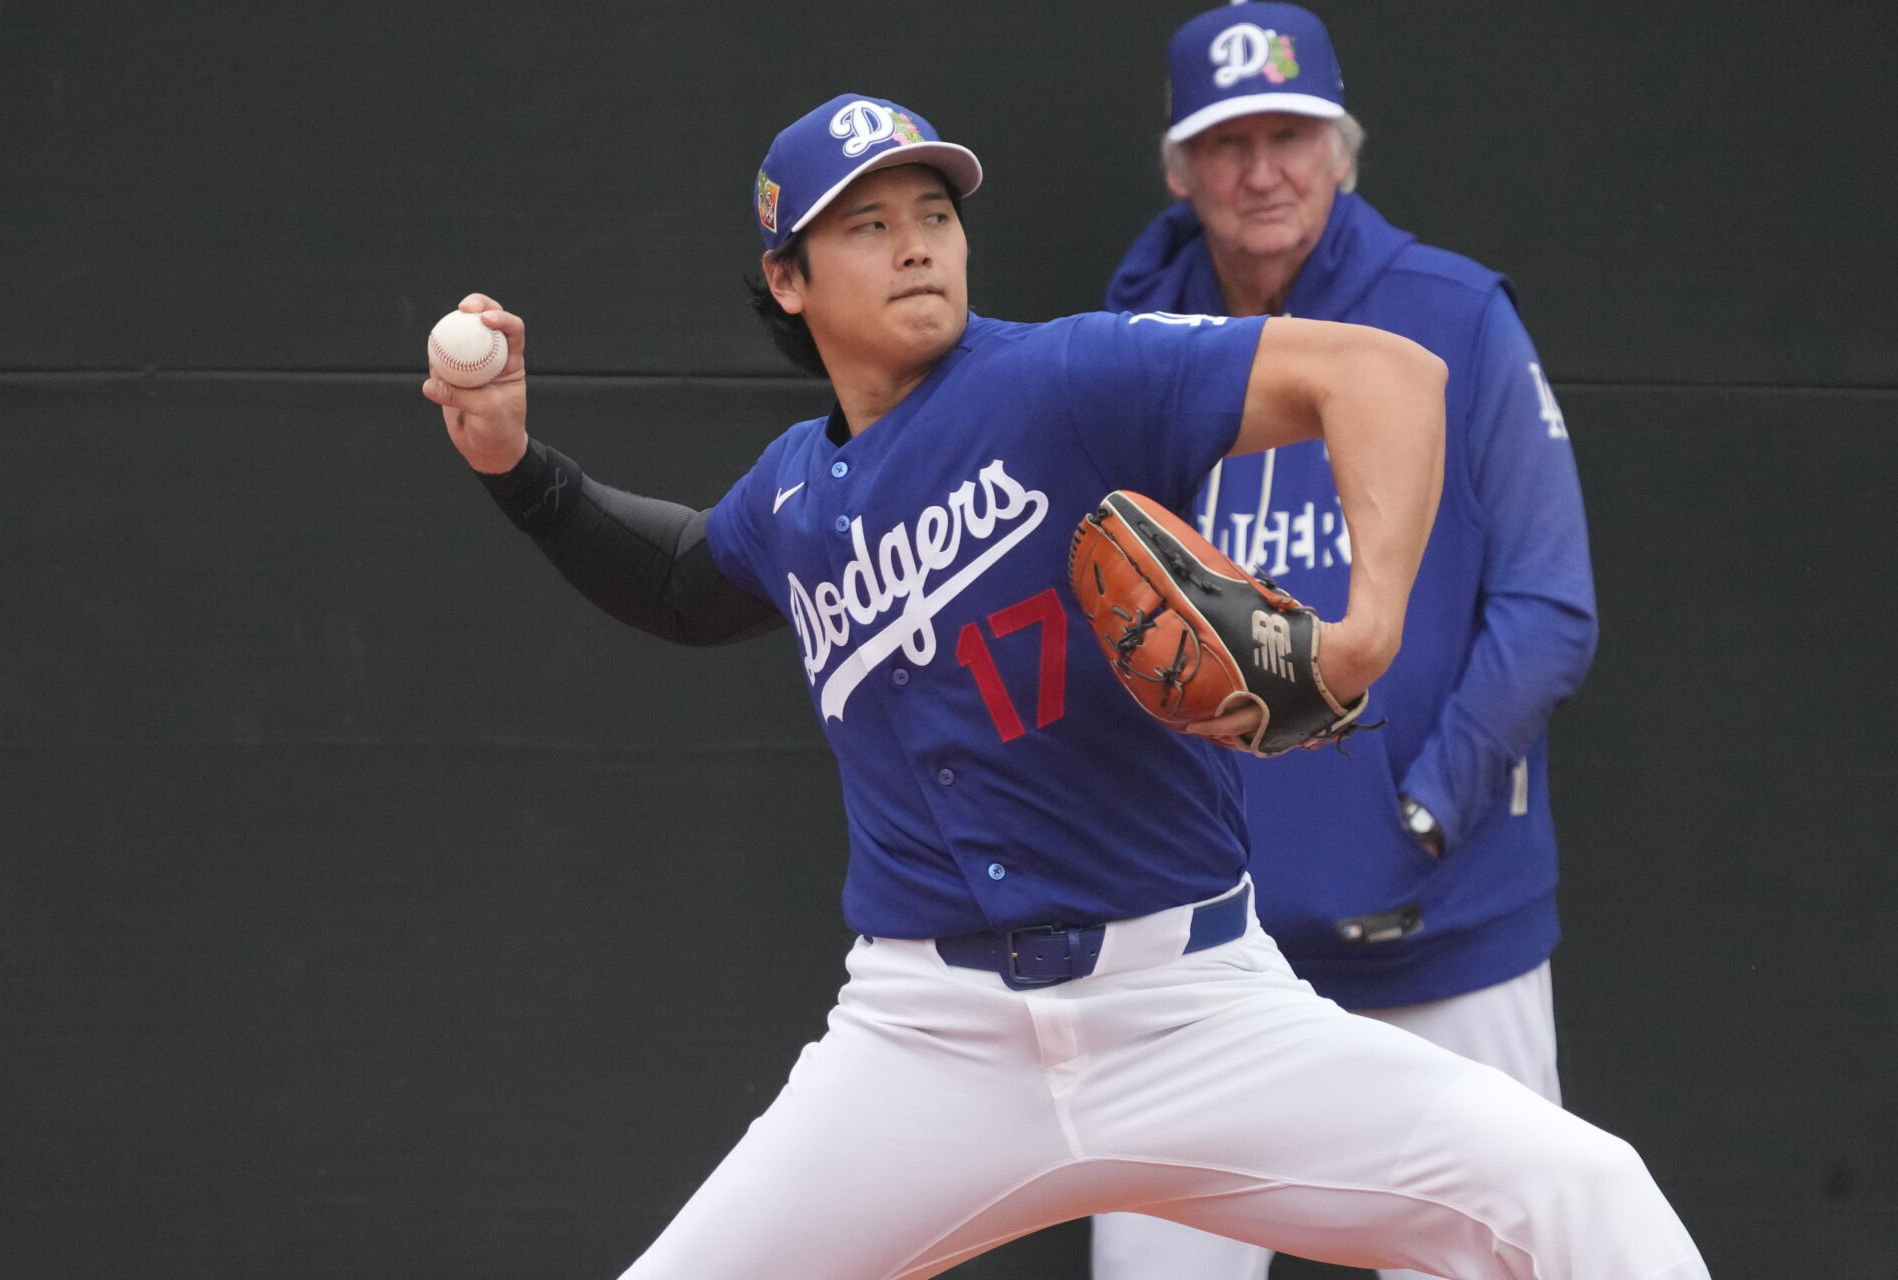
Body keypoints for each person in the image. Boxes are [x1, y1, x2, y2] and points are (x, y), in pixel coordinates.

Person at [421, 92, 1704, 1279]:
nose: (917, 243)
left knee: (1581, 1185)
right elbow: (682, 583)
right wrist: (513, 464)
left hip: (1191, 1005)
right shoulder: (795, 498)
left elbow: (1382, 373)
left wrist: (1364, 634)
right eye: (868, 224)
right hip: (927, 1038)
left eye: (934, 215)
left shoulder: (1065, 375)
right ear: (787, 278)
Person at [1090, 6, 1601, 1279]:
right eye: (1229, 142)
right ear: (1178, 166)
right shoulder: (1130, 341)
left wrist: (1421, 815)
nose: (1263, 172)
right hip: (1195, 949)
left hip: (1443, 930)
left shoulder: (1453, 316)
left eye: (1292, 134)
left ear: (1342, 149)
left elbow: (1548, 608)